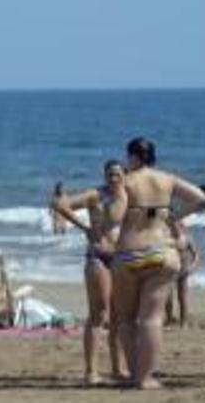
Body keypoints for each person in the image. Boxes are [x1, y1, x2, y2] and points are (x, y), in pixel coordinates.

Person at [113, 137, 205, 389]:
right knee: (152, 319)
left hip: (129, 253)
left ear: (133, 157)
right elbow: (202, 198)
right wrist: (174, 216)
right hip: (162, 252)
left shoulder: (125, 181)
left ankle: (135, 372)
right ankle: (146, 378)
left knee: (126, 320)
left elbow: (115, 217)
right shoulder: (167, 179)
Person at [49, 160, 129, 384]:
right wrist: (85, 228)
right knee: (99, 312)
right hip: (98, 257)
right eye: (109, 174)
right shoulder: (96, 195)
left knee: (119, 315)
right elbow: (60, 204)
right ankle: (91, 372)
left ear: (125, 175)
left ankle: (118, 369)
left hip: (121, 258)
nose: (113, 178)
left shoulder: (130, 196)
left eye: (117, 174)